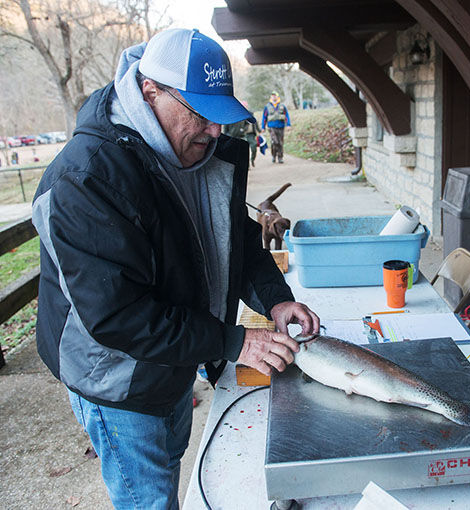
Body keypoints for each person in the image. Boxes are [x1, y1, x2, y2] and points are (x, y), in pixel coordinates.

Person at [31, 28, 319, 508]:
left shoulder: (202, 152)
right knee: (149, 497)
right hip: (116, 379)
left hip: (176, 356)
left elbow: (239, 244)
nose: (215, 132)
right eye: (201, 114)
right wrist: (234, 341)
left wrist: (276, 297)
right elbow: (119, 316)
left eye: (221, 117)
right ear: (150, 93)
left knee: (171, 463)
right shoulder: (87, 178)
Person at [261, 91, 290, 163]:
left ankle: (280, 157)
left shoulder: (282, 106)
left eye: (275, 95)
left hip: (281, 126)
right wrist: (263, 127)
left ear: (277, 97)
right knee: (274, 142)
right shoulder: (267, 106)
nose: (274, 97)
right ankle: (274, 156)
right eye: (272, 95)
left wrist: (288, 125)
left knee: (280, 143)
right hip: (271, 127)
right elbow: (264, 117)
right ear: (271, 97)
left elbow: (287, 116)